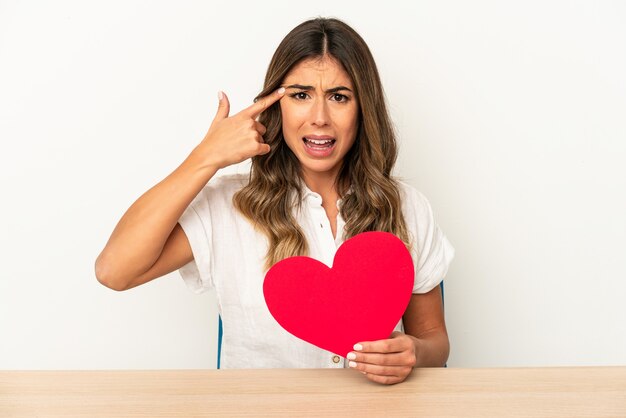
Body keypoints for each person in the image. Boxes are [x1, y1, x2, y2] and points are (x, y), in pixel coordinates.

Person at [95, 17, 454, 385]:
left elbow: (434, 340)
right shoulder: (229, 204)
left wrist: (413, 352)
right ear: (276, 106)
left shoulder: (407, 206)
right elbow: (114, 271)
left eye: (339, 97)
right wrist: (205, 157)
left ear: (364, 109)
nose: (319, 118)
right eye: (300, 95)